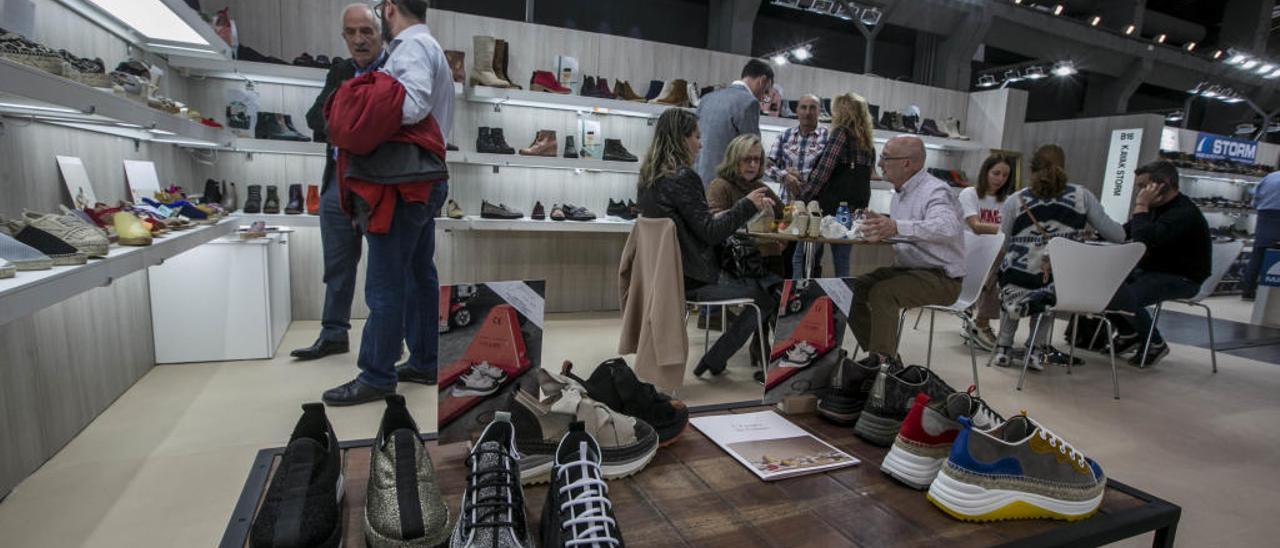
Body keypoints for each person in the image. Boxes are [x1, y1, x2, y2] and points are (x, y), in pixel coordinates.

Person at [321, 0, 454, 406]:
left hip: (401, 184)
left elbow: (411, 106)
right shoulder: (430, 48)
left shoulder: (411, 49)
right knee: (417, 273)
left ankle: (376, 374)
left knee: (385, 280)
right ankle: (426, 359)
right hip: (419, 179)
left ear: (390, 8)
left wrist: (364, 107)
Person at [636, 109, 780, 378]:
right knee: (767, 296)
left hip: (663, 276)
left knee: (766, 285)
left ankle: (716, 359)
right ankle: (717, 358)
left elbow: (697, 226)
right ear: (681, 139)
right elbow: (711, 232)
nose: (700, 143)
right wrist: (747, 205)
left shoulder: (648, 179)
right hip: (692, 279)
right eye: (696, 136)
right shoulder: (683, 178)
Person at [293, 3, 389, 362]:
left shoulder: (394, 70)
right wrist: (354, 126)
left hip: (377, 185)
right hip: (336, 182)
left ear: (381, 34)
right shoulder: (340, 71)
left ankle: (386, 339)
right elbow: (315, 116)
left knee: (383, 270)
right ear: (344, 36)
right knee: (337, 264)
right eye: (351, 33)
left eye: (366, 31)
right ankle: (333, 334)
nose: (359, 40)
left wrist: (346, 124)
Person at [993, 144, 1124, 370]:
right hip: (1061, 279)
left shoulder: (1017, 199)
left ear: (1032, 169)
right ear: (1064, 168)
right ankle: (1035, 350)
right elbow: (1117, 235)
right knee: (1049, 294)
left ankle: (1003, 347)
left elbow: (1002, 242)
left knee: (1012, 278)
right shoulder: (1082, 197)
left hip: (1017, 278)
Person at [849, 136, 966, 364]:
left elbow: (946, 226)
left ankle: (883, 367)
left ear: (907, 163)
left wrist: (894, 226)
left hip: (943, 279)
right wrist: (880, 226)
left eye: (885, 158)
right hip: (910, 271)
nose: (880, 164)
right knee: (853, 289)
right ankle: (884, 360)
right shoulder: (901, 192)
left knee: (883, 293)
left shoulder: (935, 191)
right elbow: (909, 230)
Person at [1107, 161, 1211, 366]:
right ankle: (1129, 335)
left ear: (1163, 184)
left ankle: (1154, 344)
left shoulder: (1183, 213)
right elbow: (1127, 231)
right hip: (1151, 271)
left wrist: (1141, 206)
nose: (1139, 192)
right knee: (1101, 285)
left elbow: (1143, 239)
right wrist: (1098, 231)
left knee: (1124, 297)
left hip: (1182, 277)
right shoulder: (1157, 208)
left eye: (1143, 186)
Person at [793, 92, 876, 278]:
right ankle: (841, 304)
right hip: (851, 212)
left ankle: (797, 298)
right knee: (841, 263)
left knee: (802, 257)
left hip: (827, 211)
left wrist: (802, 199)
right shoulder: (868, 143)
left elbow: (823, 172)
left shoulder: (841, 134)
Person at [957, 153, 1015, 351]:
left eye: (1005, 175)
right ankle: (981, 323)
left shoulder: (1007, 201)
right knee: (999, 263)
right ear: (985, 172)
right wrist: (1004, 232)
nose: (1000, 179)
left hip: (993, 254)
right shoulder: (969, 194)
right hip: (968, 252)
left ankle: (980, 321)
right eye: (996, 173)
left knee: (1003, 261)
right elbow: (975, 226)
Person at [765, 94, 826, 278]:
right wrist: (785, 176)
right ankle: (785, 299)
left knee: (811, 261)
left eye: (812, 108)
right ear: (797, 111)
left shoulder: (827, 137)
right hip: (786, 208)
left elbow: (830, 172)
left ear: (819, 111)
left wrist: (802, 176)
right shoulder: (784, 136)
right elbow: (767, 165)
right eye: (804, 107)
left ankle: (806, 299)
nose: (807, 112)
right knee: (784, 257)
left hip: (815, 211)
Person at [707, 133, 785, 274]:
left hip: (770, 259)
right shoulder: (720, 185)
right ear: (734, 159)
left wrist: (781, 238)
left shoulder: (761, 187)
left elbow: (786, 215)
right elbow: (714, 222)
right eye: (747, 159)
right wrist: (750, 206)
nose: (753, 165)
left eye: (757, 159)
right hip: (736, 261)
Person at [694, 59, 773, 186]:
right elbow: (753, 149)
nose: (763, 97)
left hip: (698, 179)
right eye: (766, 91)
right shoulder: (749, 103)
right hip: (726, 185)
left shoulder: (706, 99)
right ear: (762, 81)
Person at [1241, 168, 1280, 300]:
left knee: (1258, 254)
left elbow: (1255, 200)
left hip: (1265, 216)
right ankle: (1272, 293)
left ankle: (1248, 291)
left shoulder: (1270, 177)